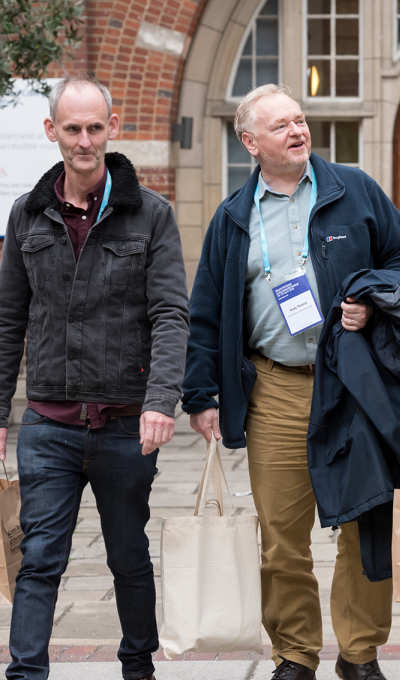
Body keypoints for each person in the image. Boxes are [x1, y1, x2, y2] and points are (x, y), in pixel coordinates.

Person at [182, 84, 400, 680]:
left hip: (355, 386)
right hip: (276, 388)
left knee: (365, 521)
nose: (297, 131)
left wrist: (371, 298)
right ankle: (295, 653)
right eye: (281, 125)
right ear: (250, 142)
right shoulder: (232, 217)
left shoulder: (354, 189)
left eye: (300, 120)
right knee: (281, 534)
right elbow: (206, 311)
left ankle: (360, 653)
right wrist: (200, 393)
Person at [0, 77, 189, 680]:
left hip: (126, 425)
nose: (84, 140)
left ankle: (138, 667)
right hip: (48, 426)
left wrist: (161, 400)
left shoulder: (151, 214)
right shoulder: (26, 215)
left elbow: (170, 314)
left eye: (95, 128)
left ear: (113, 128)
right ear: (51, 131)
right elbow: (7, 320)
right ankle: (25, 673)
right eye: (73, 128)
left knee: (128, 557)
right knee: (39, 559)